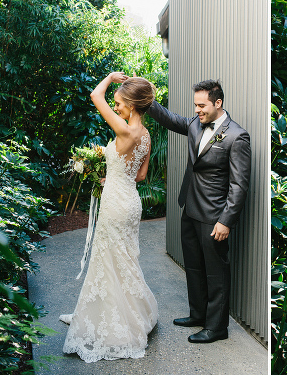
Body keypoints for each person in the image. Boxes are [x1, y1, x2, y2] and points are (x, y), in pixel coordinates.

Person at [61, 72, 159, 362]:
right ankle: (109, 313)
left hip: (115, 204)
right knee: (123, 259)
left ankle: (112, 325)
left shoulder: (125, 131)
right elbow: (140, 175)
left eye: (119, 104)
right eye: (115, 104)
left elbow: (95, 96)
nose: (115, 108)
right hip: (130, 202)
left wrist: (110, 78)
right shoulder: (145, 135)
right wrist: (114, 176)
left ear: (131, 104)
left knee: (107, 260)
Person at [147, 79, 250, 344]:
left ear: (218, 103)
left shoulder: (237, 136)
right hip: (190, 209)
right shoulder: (194, 124)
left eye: (202, 105)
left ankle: (216, 328)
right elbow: (170, 119)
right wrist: (144, 97)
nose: (197, 110)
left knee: (216, 272)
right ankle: (198, 314)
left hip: (214, 216)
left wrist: (226, 221)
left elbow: (239, 186)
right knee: (193, 267)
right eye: (195, 105)